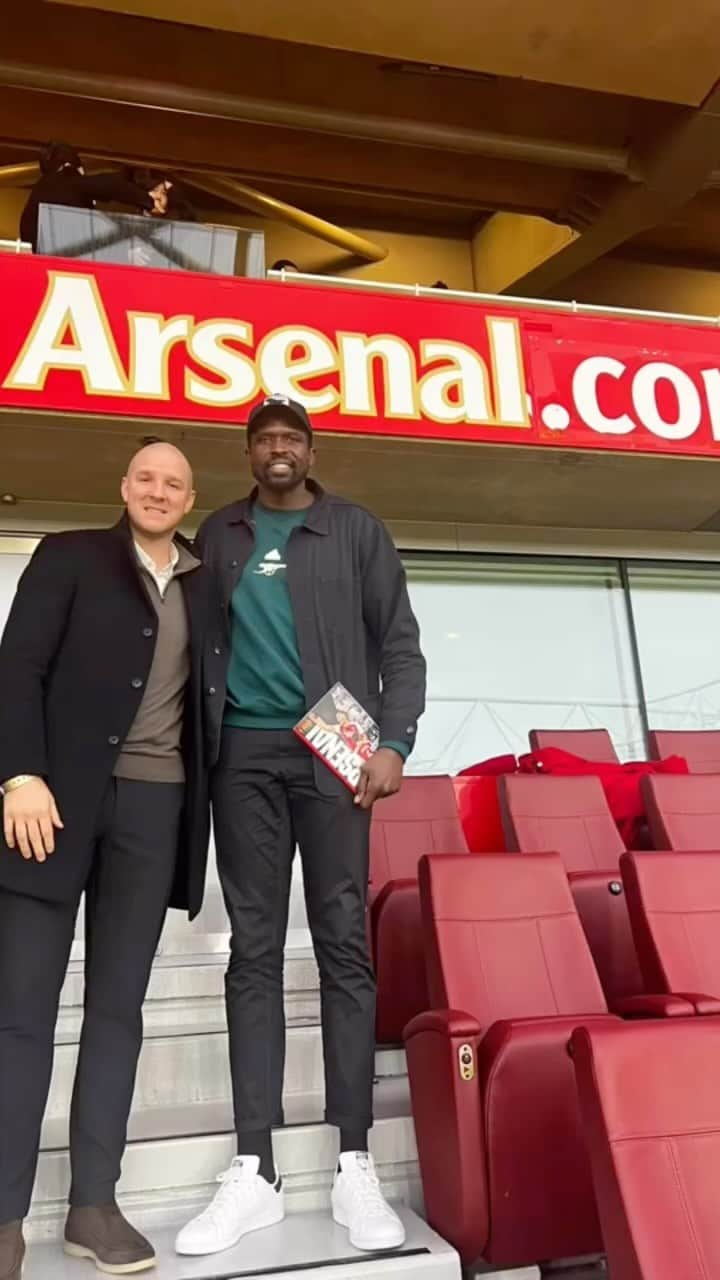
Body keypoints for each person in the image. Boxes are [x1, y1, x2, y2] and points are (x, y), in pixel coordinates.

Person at [176, 394, 426, 1259]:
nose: (278, 449)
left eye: (291, 438)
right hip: (241, 756)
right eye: (264, 439)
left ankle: (354, 1159)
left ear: (310, 450)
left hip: (335, 754)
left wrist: (393, 742)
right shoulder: (219, 535)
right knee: (252, 949)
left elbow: (400, 644)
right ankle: (257, 1169)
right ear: (249, 453)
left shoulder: (355, 531)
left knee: (341, 947)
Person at [0, 442, 221, 1279]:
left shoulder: (208, 584)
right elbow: (14, 668)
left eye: (173, 482)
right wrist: (18, 776)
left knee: (117, 1012)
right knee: (20, 1015)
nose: (158, 491)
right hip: (49, 809)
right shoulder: (69, 557)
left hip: (154, 811)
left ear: (189, 497)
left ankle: (94, 1204)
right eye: (145, 478)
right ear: (123, 487)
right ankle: (4, 1218)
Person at [20, 142, 159, 251]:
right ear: (72, 166)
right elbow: (111, 185)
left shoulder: (36, 194)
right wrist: (148, 200)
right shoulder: (68, 178)